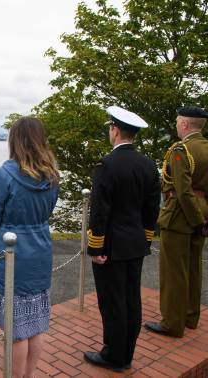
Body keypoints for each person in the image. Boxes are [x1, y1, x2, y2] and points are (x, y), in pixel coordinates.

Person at [83, 106, 161, 373]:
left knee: (113, 303)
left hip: (111, 248)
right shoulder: (149, 164)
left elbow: (100, 212)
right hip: (136, 244)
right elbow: (152, 210)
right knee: (131, 301)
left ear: (115, 130)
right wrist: (145, 240)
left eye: (110, 128)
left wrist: (96, 247)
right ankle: (126, 353)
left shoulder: (107, 164)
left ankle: (114, 356)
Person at [0, 116, 59, 378]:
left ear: (14, 140)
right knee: (36, 325)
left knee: (15, 330)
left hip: (12, 253)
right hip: (40, 250)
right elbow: (48, 211)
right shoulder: (51, 173)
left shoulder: (4, 174)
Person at [145, 105, 208, 338]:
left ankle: (172, 323)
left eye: (178, 121)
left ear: (184, 124)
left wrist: (196, 219)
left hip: (181, 216)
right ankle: (191, 317)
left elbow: (182, 190)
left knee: (174, 272)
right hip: (201, 212)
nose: (177, 126)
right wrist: (204, 217)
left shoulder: (181, 150)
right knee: (193, 268)